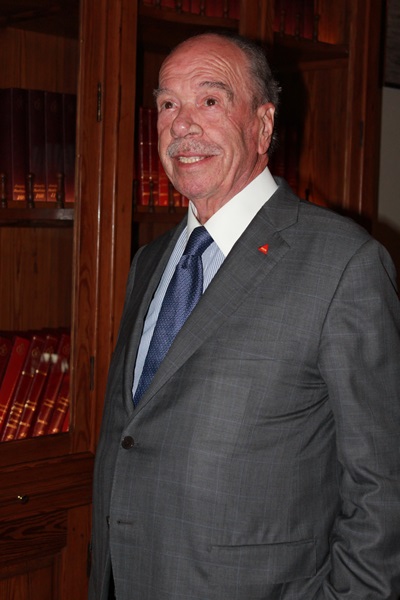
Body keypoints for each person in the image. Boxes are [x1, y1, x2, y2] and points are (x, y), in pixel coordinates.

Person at [89, 32, 400, 600]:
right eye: (167, 104)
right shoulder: (149, 260)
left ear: (262, 125)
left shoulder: (344, 264)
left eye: (210, 100)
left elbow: (384, 483)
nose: (182, 124)